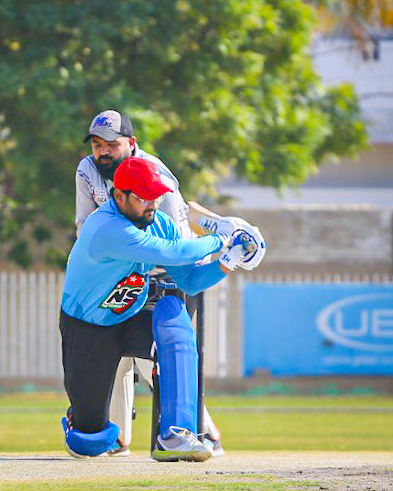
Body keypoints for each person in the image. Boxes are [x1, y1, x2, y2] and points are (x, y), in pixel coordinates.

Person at [61, 156, 265, 461]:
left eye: (156, 196)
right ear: (119, 196)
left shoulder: (160, 223)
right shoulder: (105, 227)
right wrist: (222, 237)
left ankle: (175, 435)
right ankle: (79, 419)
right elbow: (173, 252)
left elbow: (189, 281)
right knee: (89, 441)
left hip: (130, 314)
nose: (153, 204)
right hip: (88, 326)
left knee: (173, 313)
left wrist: (230, 260)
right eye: (143, 197)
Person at [75, 109, 220, 457]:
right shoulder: (87, 170)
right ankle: (118, 439)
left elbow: (176, 242)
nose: (103, 152)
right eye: (97, 145)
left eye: (112, 144)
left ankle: (203, 432)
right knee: (115, 355)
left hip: (172, 271)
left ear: (131, 143)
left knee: (152, 354)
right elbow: (84, 226)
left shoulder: (156, 176)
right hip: (125, 269)